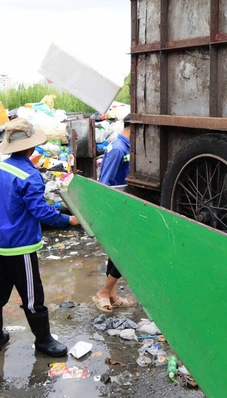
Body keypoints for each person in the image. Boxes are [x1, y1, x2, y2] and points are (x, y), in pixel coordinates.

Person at [0, 118, 79, 357]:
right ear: (32, 147)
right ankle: (44, 341)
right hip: (20, 247)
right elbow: (40, 211)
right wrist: (68, 221)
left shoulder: (0, 169)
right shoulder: (29, 175)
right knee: (33, 297)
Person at [93, 114, 134, 312]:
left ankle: (111, 294)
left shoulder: (125, 147)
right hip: (117, 207)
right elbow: (105, 183)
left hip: (124, 206)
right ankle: (104, 291)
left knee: (116, 251)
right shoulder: (118, 148)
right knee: (124, 252)